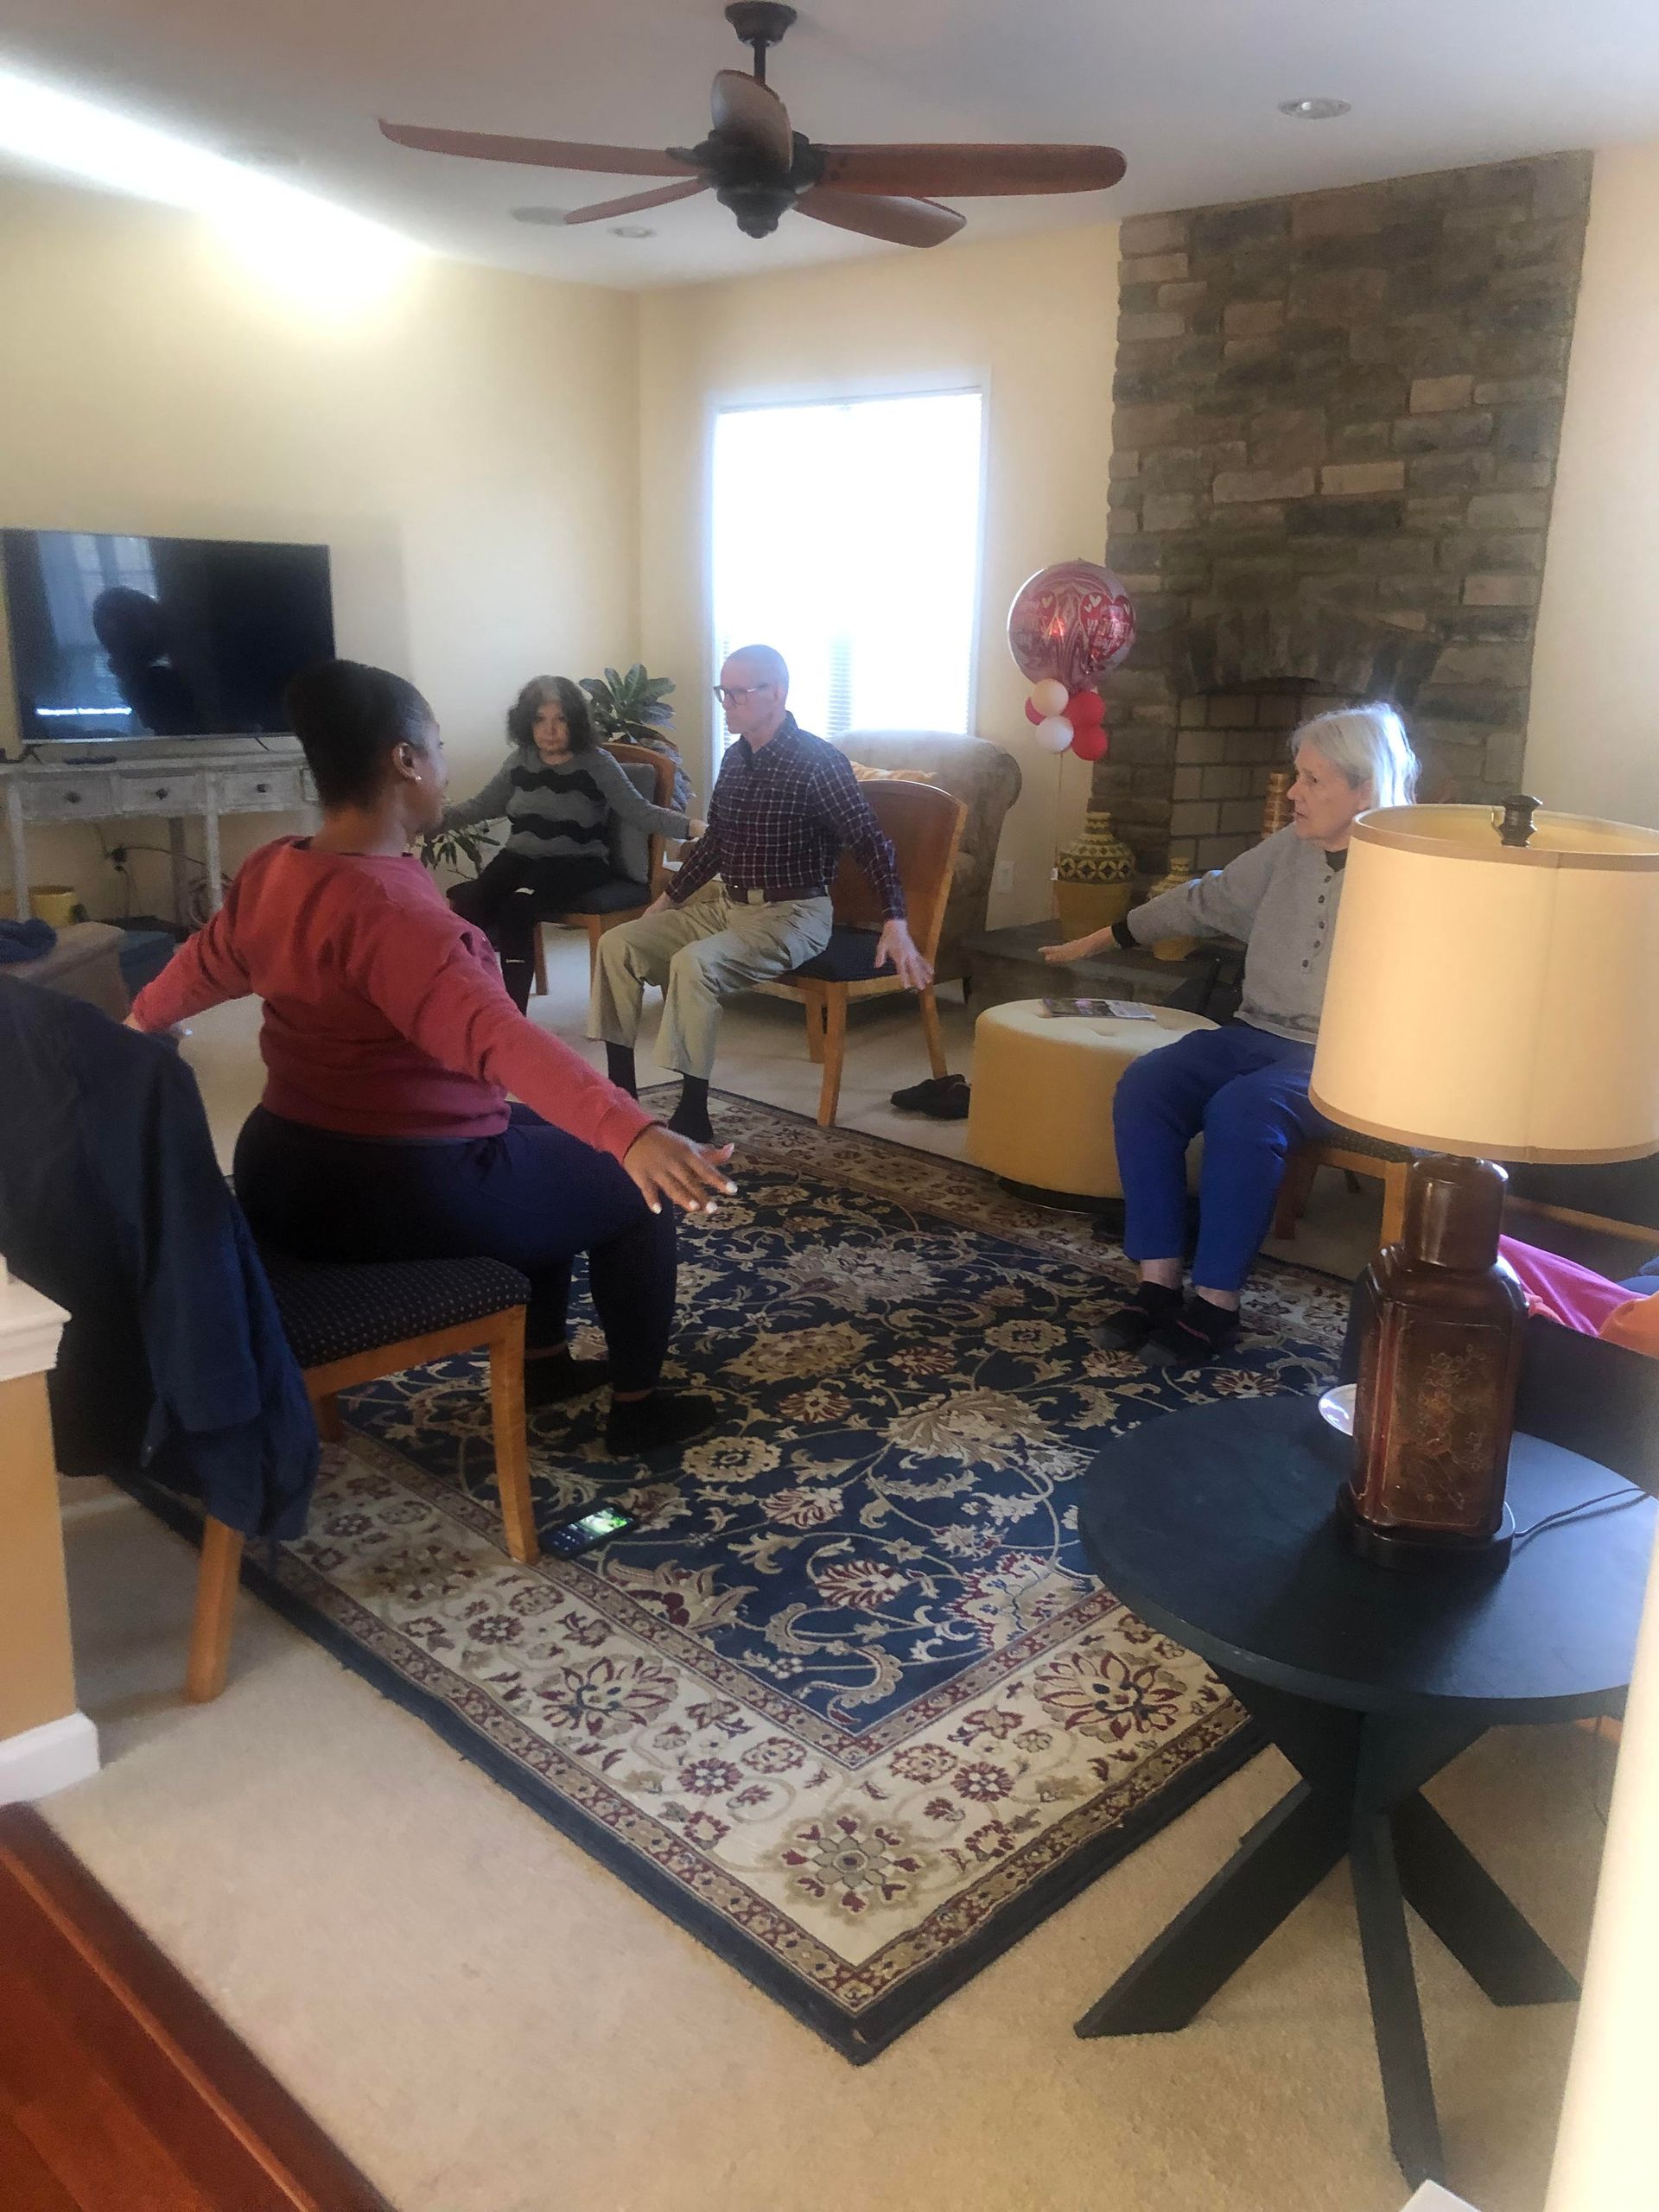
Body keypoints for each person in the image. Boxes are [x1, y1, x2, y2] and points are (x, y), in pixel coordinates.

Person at [126, 658, 734, 1462]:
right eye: (438, 748)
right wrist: (634, 1136)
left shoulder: (278, 866)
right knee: (633, 1189)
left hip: (282, 1168)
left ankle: (546, 1365)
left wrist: (135, 1025)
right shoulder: (400, 917)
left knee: (549, 1141)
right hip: (396, 1188)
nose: (447, 768)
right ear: (405, 760)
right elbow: (504, 1040)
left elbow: (204, 963)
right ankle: (639, 1408)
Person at [1043, 702, 1420, 1365]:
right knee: (1148, 1083)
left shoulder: (1414, 871)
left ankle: (1216, 1303)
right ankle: (1157, 1283)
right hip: (1255, 1030)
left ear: (1365, 788)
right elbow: (1205, 898)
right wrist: (1108, 934)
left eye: (1314, 781)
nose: (1294, 794)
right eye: (1297, 776)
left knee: (1243, 1111)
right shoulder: (1288, 850)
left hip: (1344, 1055)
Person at [590, 644, 932, 1141]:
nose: (726, 703)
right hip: (728, 905)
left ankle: (692, 1115)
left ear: (777, 693)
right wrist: (664, 904)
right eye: (722, 692)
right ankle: (621, 1095)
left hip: (793, 915)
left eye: (738, 693)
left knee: (694, 964)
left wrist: (895, 921)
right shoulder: (735, 760)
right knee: (618, 944)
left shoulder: (819, 763)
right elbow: (716, 845)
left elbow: (870, 843)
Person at [440, 675, 692, 1013]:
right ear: (526, 723)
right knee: (470, 903)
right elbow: (482, 805)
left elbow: (640, 811)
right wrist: (431, 821)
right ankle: (473, 1005)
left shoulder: (596, 762)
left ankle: (512, 1016)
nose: (550, 730)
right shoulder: (520, 760)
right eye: (540, 720)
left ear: (575, 722)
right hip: (520, 857)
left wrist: (693, 826)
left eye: (560, 720)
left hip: (576, 863)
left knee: (518, 909)